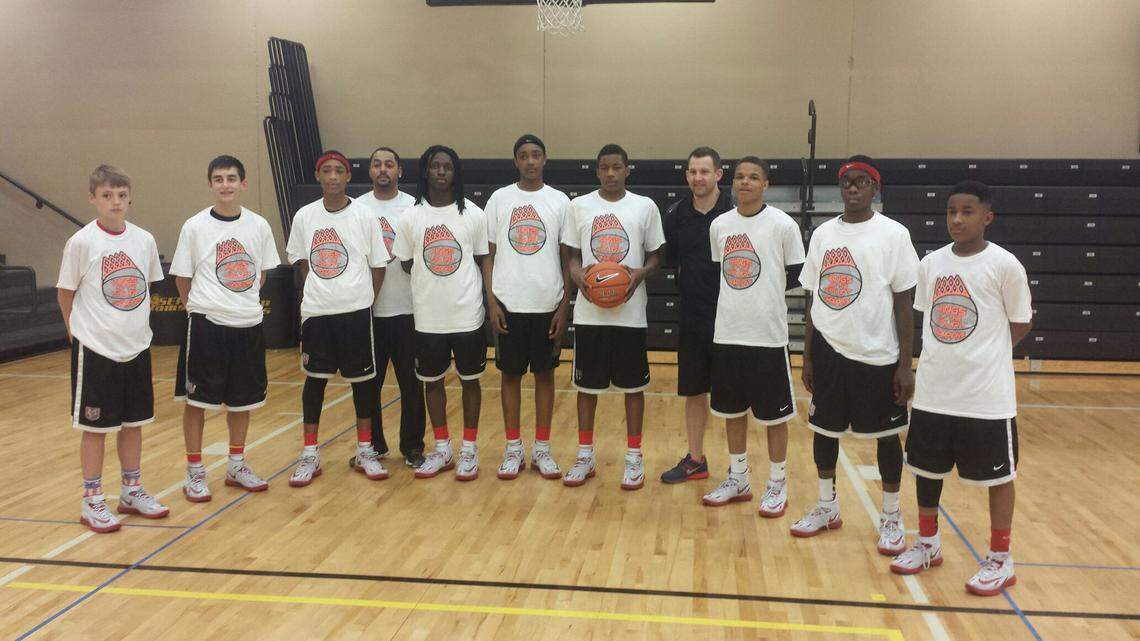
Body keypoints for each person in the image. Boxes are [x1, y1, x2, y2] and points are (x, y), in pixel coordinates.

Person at [890, 180, 1032, 597]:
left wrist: (985, 352)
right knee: (925, 470)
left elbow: (1021, 322)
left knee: (999, 477)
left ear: (987, 216)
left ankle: (1000, 559)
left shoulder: (1005, 265)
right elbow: (925, 320)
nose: (957, 219)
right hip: (935, 390)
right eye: (952, 211)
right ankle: (928, 544)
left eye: (967, 211)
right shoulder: (931, 263)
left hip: (985, 396)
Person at [791, 155, 918, 557]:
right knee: (824, 431)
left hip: (876, 353)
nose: (853, 189)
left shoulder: (894, 234)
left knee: (884, 438)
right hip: (829, 349)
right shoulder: (824, 235)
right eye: (847, 183)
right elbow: (814, 297)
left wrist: (905, 364)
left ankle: (891, 516)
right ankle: (828, 506)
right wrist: (808, 357)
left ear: (874, 189)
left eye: (862, 183)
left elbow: (904, 302)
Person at [57, 164, 169, 533]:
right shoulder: (82, 242)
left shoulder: (144, 240)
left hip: (135, 347)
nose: (115, 202)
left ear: (130, 197)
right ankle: (92, 500)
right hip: (97, 349)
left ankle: (131, 491)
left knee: (134, 424)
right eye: (107, 196)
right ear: (93, 198)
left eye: (121, 195)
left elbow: (147, 287)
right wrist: (74, 329)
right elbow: (66, 291)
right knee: (96, 428)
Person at [171, 155, 280, 501]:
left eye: (231, 178)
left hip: (247, 324)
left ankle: (236, 465)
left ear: (243, 184)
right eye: (218, 179)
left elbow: (261, 274)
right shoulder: (194, 226)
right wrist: (202, 308)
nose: (225, 184)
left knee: (241, 401)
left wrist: (240, 302)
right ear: (210, 184)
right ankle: (195, 472)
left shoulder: (259, 225)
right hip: (207, 326)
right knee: (197, 401)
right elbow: (182, 278)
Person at [702, 157, 803, 516]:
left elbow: (796, 273)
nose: (745, 182)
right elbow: (722, 271)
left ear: (766, 185)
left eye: (754, 177)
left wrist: (766, 292)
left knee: (774, 418)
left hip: (768, 337)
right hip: (728, 332)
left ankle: (777, 483)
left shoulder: (783, 225)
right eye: (740, 177)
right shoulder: (719, 225)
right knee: (732, 411)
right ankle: (739, 477)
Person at [562, 143, 664, 490]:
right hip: (591, 314)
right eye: (604, 167)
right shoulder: (579, 206)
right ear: (596, 171)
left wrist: (638, 274)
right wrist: (578, 278)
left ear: (626, 170)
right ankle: (585, 455)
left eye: (616, 167)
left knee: (633, 388)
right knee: (585, 388)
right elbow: (572, 257)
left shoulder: (644, 207)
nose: (610, 173)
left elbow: (656, 256)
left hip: (630, 314)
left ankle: (634, 457)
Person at [284, 150, 389, 487]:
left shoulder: (365, 216)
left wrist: (364, 299)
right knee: (315, 383)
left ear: (348, 177)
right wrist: (320, 293)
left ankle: (364, 451)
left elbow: (378, 265)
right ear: (318, 176)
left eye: (338, 171)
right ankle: (310, 454)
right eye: (326, 171)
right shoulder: (304, 216)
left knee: (363, 385)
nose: (332, 176)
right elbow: (302, 263)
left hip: (355, 312)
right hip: (317, 313)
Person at [392, 145, 489, 481]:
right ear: (426, 171)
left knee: (470, 382)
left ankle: (469, 450)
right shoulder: (410, 217)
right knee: (431, 383)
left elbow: (482, 259)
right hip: (428, 316)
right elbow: (406, 262)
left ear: (455, 172)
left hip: (467, 314)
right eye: (436, 166)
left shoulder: (474, 215)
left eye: (448, 166)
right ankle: (444, 447)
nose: (442, 172)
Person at [482, 134, 570, 480]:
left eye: (536, 155)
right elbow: (487, 254)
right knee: (510, 376)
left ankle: (543, 450)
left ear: (545, 159)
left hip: (547, 303)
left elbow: (568, 257)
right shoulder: (499, 199)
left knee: (545, 376)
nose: (530, 161)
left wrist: (565, 304)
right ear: (515, 161)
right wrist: (491, 300)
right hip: (509, 303)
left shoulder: (560, 201)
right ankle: (513, 449)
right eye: (523, 156)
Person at [347, 146, 427, 470]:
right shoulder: (356, 209)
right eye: (377, 164)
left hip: (408, 310)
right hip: (368, 312)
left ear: (399, 171)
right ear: (369, 171)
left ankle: (412, 447)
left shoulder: (414, 208)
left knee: (412, 385)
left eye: (389, 164)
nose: (383, 170)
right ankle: (373, 446)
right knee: (368, 386)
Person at [660, 147, 734, 484]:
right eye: (692, 172)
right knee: (693, 390)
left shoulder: (735, 211)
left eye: (704, 171)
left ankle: (739, 465)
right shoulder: (675, 215)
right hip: (692, 315)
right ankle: (695, 459)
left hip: (732, 317)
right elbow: (673, 259)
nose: (698, 178)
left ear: (719, 174)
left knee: (735, 392)